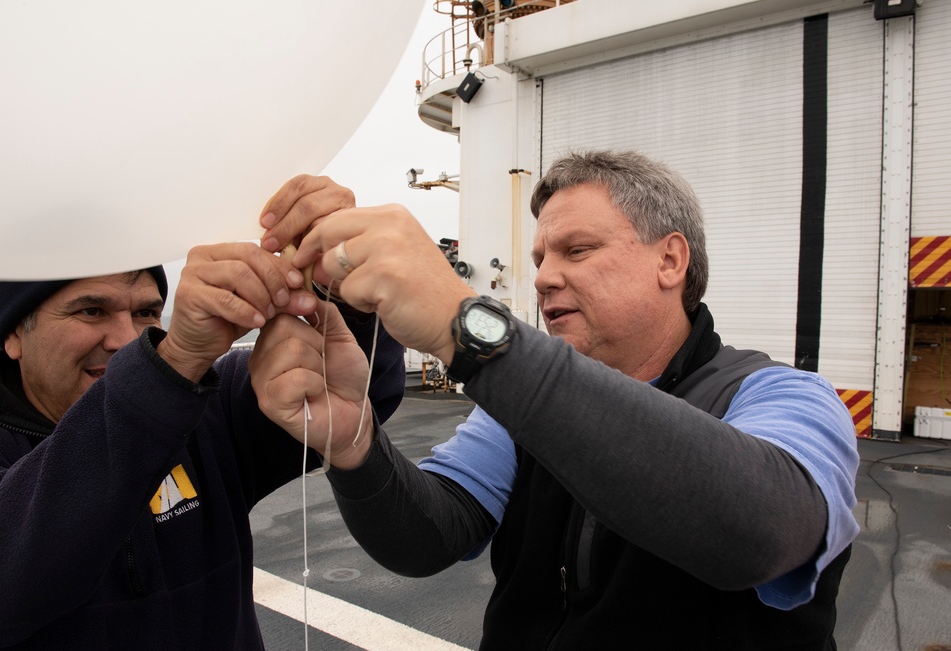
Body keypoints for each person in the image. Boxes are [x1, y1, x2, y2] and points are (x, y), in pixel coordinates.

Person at [254, 150, 861, 649]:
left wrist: (467, 327)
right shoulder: (515, 411)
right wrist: (356, 442)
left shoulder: (784, 396)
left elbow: (762, 528)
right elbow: (430, 536)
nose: (543, 276)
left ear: (671, 260)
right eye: (541, 257)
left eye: (577, 250)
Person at [0, 176, 405, 649]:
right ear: (13, 336)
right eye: (90, 311)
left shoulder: (207, 410)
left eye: (147, 314)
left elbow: (359, 386)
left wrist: (340, 288)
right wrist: (174, 361)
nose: (126, 341)